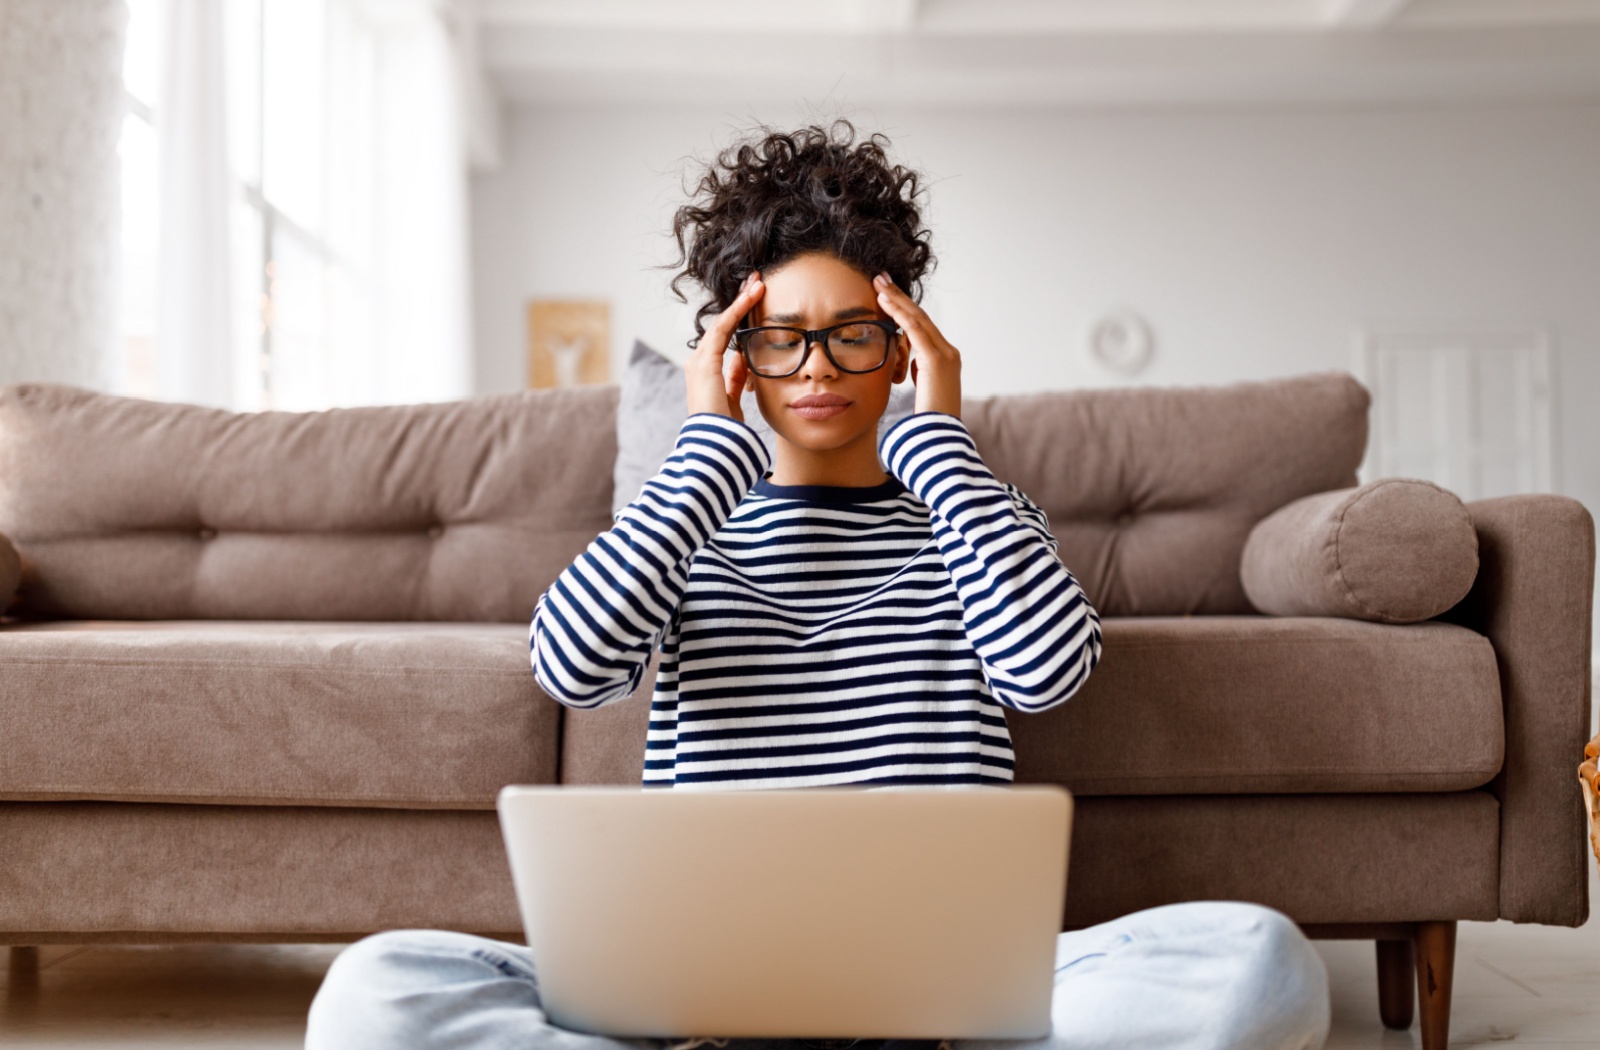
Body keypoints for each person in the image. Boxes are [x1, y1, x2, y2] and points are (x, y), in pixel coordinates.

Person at [304, 121, 1330, 1050]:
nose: (818, 369)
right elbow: (568, 670)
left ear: (900, 349)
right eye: (780, 337)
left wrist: (937, 444)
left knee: (1260, 964)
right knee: (372, 992)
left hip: (946, 993)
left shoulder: (977, 515)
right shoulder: (681, 527)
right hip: (699, 987)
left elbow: (1046, 675)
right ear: (736, 356)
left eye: (852, 334)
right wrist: (706, 451)